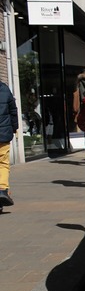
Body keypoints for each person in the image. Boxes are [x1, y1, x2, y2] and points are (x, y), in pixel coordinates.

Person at [0, 80, 18, 212]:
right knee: (2, 163)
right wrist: (14, 128)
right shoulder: (4, 89)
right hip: (3, 134)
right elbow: (13, 110)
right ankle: (2, 189)